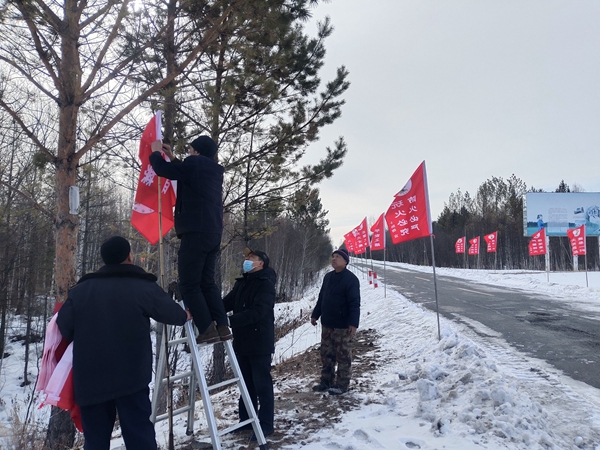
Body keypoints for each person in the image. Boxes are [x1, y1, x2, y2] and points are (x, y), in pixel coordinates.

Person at [56, 236, 192, 450]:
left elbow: (64, 327)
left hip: (91, 378)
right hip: (131, 378)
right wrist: (185, 315)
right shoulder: (141, 286)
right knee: (140, 438)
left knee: (95, 442)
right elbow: (171, 313)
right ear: (129, 256)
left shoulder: (81, 291)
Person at [149, 136, 231, 344]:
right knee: (207, 282)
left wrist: (155, 153)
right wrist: (172, 157)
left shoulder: (194, 164)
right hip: (213, 232)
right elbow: (185, 172)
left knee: (189, 284)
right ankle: (222, 325)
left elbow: (164, 170)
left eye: (191, 150)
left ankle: (206, 328)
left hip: (196, 231)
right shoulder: (213, 170)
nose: (189, 153)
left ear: (197, 152)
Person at [223, 248, 276, 440]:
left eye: (251, 258)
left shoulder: (266, 284)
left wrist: (230, 321)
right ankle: (246, 420)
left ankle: (266, 424)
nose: (246, 260)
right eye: (246, 257)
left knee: (262, 384)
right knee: (245, 384)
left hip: (260, 341)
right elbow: (226, 303)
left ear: (261, 263)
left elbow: (258, 312)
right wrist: (210, 310)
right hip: (242, 341)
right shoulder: (242, 283)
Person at [310, 248, 360, 395]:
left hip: (342, 326)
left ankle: (342, 385)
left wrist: (353, 323)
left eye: (338, 256)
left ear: (345, 261)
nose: (334, 259)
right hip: (327, 324)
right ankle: (326, 381)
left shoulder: (351, 279)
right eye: (333, 256)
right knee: (326, 355)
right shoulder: (328, 277)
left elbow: (354, 303)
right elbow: (322, 298)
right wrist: (315, 315)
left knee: (343, 356)